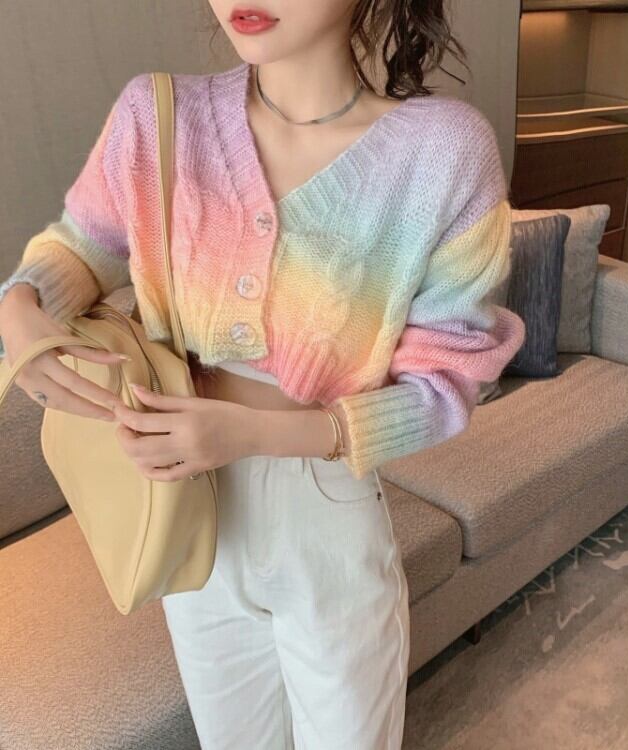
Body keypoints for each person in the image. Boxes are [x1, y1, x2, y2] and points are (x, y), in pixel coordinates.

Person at [0, 1, 526, 748]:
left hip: (325, 513)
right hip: (183, 509)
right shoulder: (158, 118)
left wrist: (252, 433)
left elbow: (444, 387)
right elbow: (83, 246)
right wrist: (20, 305)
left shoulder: (443, 152)